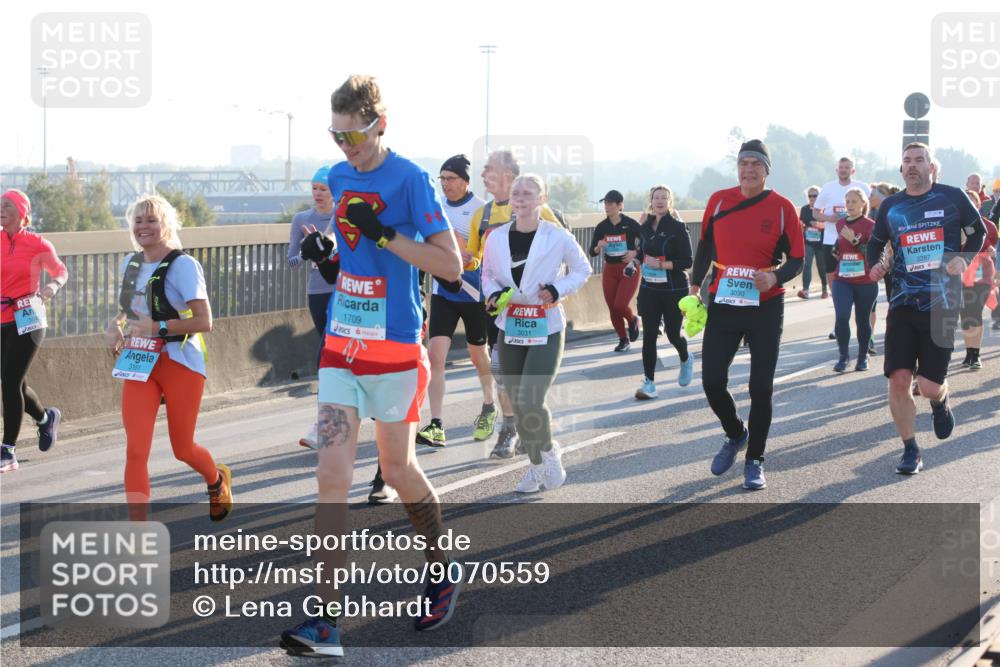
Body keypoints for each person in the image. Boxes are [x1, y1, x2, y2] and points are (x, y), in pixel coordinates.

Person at [280, 75, 465, 658]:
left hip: (395, 349)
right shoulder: (338, 178)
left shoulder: (410, 179)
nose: (345, 147)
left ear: (380, 125)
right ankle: (326, 622)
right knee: (331, 477)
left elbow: (450, 266)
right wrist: (329, 255)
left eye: (353, 136)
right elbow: (351, 253)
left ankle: (441, 564)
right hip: (342, 348)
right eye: (336, 137)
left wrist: (385, 235)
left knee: (398, 467)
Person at [105, 194, 233, 520]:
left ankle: (216, 480)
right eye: (138, 221)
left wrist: (157, 327)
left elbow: (204, 321)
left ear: (167, 224)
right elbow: (130, 307)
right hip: (140, 361)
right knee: (136, 450)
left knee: (183, 448)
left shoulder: (183, 266)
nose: (143, 227)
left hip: (180, 360)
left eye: (151, 220)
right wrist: (116, 325)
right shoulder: (130, 263)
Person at [690, 139, 804, 491]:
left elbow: (798, 259)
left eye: (756, 164)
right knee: (712, 381)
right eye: (744, 163)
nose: (749, 169)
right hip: (723, 301)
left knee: (760, 387)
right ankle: (736, 432)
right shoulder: (718, 201)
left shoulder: (783, 207)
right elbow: (705, 245)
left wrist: (775, 277)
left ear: (766, 170)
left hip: (765, 305)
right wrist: (694, 285)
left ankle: (755, 460)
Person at [865, 143, 985, 475]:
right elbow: (875, 243)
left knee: (929, 385)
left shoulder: (952, 197)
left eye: (919, 160)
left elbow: (977, 232)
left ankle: (940, 400)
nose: (912, 165)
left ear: (931, 167)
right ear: (901, 169)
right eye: (907, 161)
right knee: (899, 379)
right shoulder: (891, 206)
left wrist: (964, 258)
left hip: (942, 302)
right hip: (903, 302)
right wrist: (875, 265)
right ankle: (910, 450)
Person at [481, 173, 591, 493]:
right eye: (516, 192)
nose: (520, 198)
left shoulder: (557, 236)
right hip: (510, 326)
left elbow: (582, 270)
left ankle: (549, 451)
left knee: (531, 397)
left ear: (543, 199)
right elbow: (487, 275)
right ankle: (537, 464)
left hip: (546, 326)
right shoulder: (496, 237)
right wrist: (492, 293)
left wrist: (557, 288)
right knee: (517, 402)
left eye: (529, 193)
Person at [465, 150, 564, 459]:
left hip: (537, 314)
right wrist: (463, 260)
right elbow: (478, 261)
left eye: (489, 169)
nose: (483, 175)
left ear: (508, 175)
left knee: (527, 385)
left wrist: (555, 290)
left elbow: (563, 253)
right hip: (502, 311)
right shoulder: (481, 216)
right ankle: (511, 427)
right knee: (502, 374)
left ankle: (527, 428)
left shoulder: (541, 212)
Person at [414, 154, 496, 450]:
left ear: (465, 181)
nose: (445, 184)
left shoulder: (482, 210)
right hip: (443, 292)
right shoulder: (436, 209)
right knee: (435, 357)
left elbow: (492, 253)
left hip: (474, 294)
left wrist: (472, 258)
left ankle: (489, 404)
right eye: (442, 178)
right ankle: (436, 424)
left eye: (451, 178)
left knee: (478, 355)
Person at [0, 189, 68, 473]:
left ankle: (7, 451)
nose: (1, 209)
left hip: (28, 318)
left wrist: (52, 286)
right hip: (2, 318)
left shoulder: (37, 244)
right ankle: (45, 418)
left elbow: (60, 271)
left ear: (22, 212)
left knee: (10, 382)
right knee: (15, 383)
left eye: (7, 205)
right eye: (0, 205)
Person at [289, 166, 338, 450]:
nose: (318, 194)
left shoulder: (343, 217)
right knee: (331, 357)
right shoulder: (301, 219)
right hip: (318, 292)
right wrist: (309, 252)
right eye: (314, 188)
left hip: (343, 292)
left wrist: (326, 248)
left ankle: (325, 425)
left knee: (327, 357)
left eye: (323, 189)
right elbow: (292, 260)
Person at [634, 185, 694, 399]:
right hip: (649, 288)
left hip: (674, 289)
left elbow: (687, 261)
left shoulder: (678, 227)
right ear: (651, 201)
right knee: (649, 335)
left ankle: (685, 357)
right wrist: (633, 262)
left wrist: (661, 264)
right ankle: (649, 383)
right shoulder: (644, 227)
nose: (659, 201)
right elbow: (641, 252)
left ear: (670, 202)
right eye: (656, 197)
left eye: (664, 198)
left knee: (673, 334)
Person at [830, 188, 878, 372]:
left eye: (854, 201)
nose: (849, 205)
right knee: (842, 317)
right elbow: (840, 244)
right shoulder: (840, 223)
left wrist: (854, 241)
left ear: (863, 204)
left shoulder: (870, 225)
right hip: (842, 279)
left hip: (865, 281)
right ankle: (843, 357)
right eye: (847, 201)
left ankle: (863, 357)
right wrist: (835, 249)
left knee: (862, 320)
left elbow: (872, 253)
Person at [588, 189, 641, 352]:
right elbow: (592, 252)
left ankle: (632, 320)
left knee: (620, 305)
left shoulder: (631, 224)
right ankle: (623, 339)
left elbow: (647, 244)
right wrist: (598, 247)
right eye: (605, 203)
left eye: (610, 203)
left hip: (628, 269)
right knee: (612, 307)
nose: (607, 206)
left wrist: (635, 253)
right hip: (610, 269)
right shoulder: (602, 227)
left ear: (620, 205)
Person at [958, 189, 998, 370]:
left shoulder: (989, 226)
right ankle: (969, 353)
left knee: (975, 312)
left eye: (973, 201)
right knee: (965, 315)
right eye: (966, 200)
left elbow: (993, 247)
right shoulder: (954, 225)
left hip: (982, 275)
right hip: (960, 274)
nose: (970, 204)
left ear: (979, 204)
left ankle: (975, 354)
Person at [797, 186, 825, 299]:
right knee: (807, 264)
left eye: (815, 196)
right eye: (810, 196)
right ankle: (805, 290)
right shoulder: (804, 209)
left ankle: (825, 288)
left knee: (821, 266)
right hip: (808, 241)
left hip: (821, 242)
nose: (812, 198)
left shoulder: (824, 209)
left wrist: (818, 225)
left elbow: (830, 225)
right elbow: (801, 223)